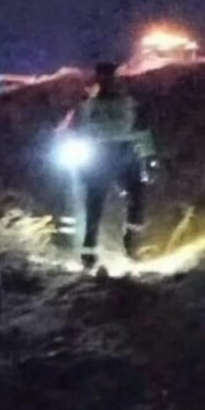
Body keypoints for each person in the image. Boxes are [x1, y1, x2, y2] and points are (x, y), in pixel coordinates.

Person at [63, 62, 156, 269]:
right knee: (94, 205)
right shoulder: (87, 105)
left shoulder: (127, 102)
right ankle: (89, 252)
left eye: (109, 77)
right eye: (102, 78)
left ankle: (131, 241)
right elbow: (73, 131)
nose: (106, 82)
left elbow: (141, 129)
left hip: (123, 152)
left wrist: (149, 157)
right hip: (99, 154)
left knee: (137, 196)